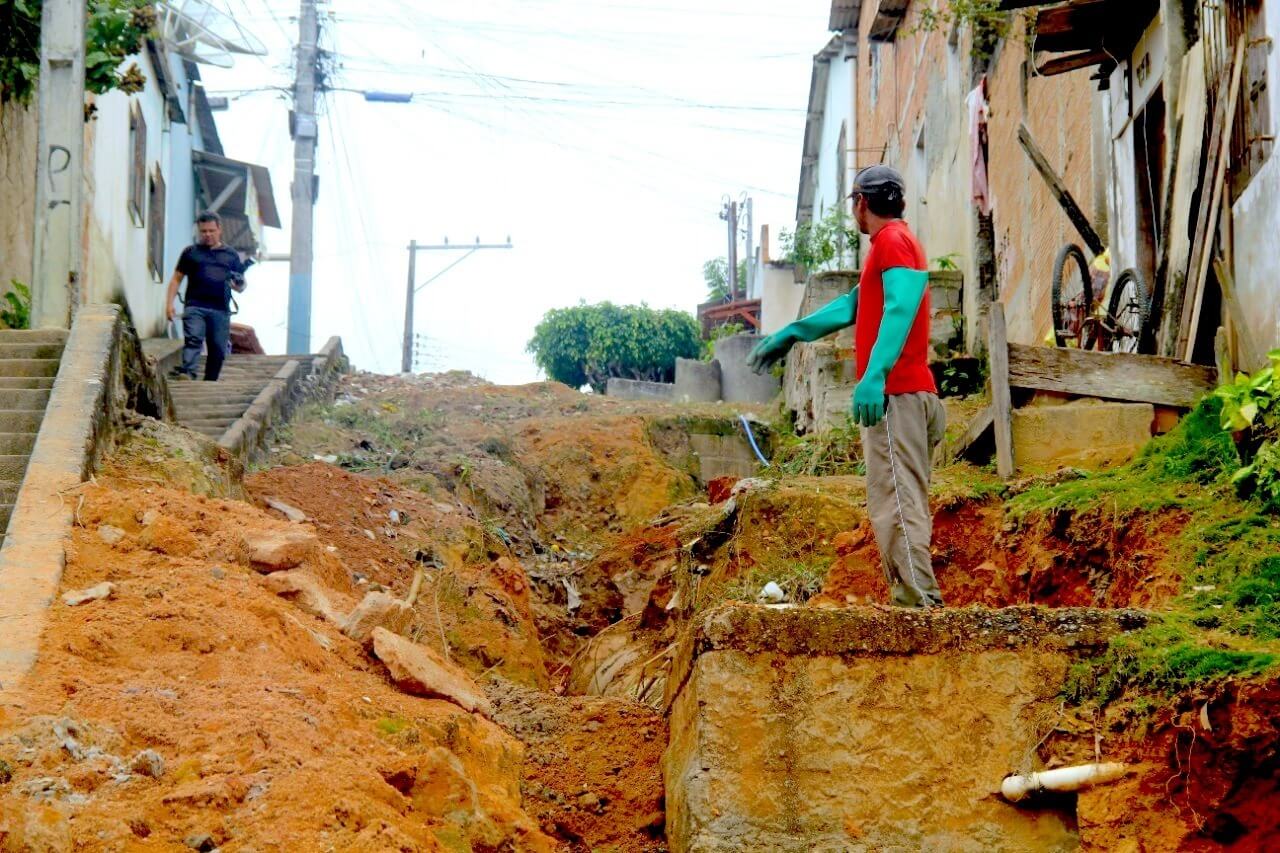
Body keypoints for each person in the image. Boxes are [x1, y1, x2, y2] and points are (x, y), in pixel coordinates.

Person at [748, 165, 946, 608]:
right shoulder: (892, 245)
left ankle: (921, 606)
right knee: (902, 497)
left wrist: (874, 378)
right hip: (912, 395)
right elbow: (852, 306)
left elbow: (899, 308)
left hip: (897, 398)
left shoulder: (893, 241)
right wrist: (791, 333)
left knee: (896, 502)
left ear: (862, 202)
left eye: (853, 202)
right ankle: (918, 601)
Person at [165, 211, 246, 381]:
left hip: (220, 309)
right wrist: (169, 304)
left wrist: (237, 285)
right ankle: (187, 373)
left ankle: (210, 381)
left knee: (217, 349)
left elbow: (241, 284)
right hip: (195, 306)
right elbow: (176, 279)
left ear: (219, 230)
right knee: (193, 338)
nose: (207, 235)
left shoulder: (230, 255)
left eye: (211, 230)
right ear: (198, 231)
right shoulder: (190, 253)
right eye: (203, 231)